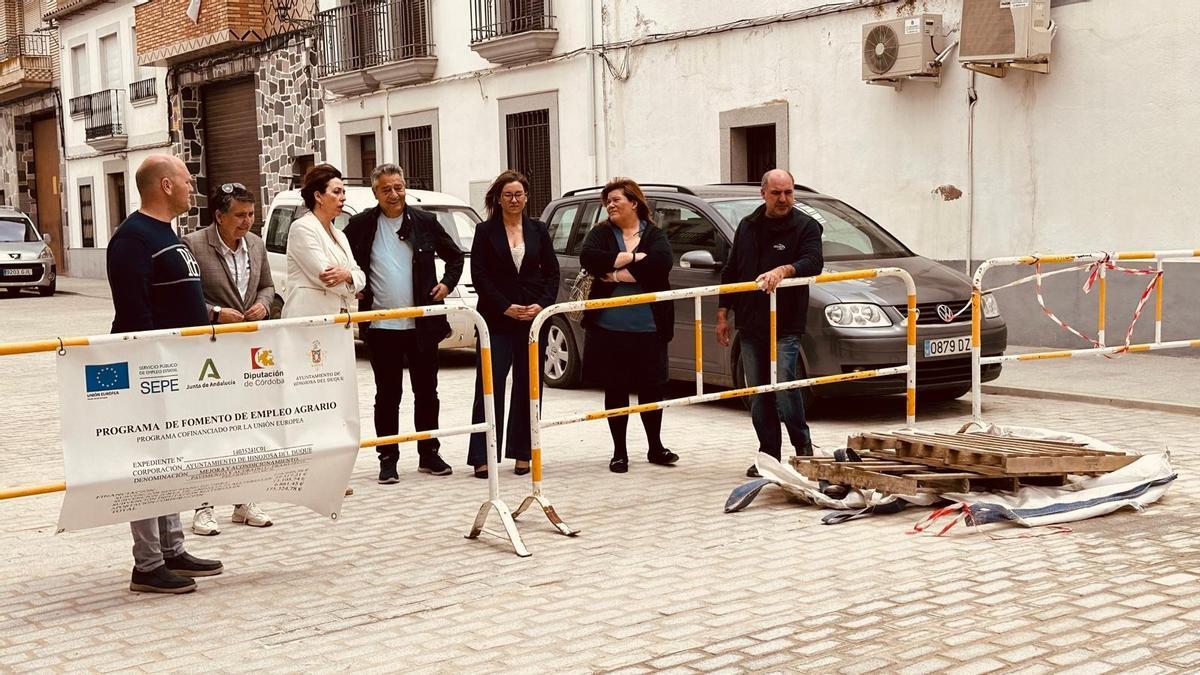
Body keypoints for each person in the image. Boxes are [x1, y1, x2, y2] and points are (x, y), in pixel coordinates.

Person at [106, 155, 223, 593]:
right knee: (148, 464)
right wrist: (155, 368)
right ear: (166, 185)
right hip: (151, 371)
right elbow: (134, 314)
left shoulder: (166, 233)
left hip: (179, 369)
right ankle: (148, 563)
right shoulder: (132, 238)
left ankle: (173, 548)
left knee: (171, 460)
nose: (194, 187)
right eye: (187, 180)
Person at [344, 164, 462, 483]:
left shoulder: (424, 221)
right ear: (375, 193)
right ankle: (388, 458)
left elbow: (455, 256)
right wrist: (353, 285)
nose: (394, 194)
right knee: (387, 395)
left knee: (427, 392)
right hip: (381, 326)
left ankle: (429, 453)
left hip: (422, 324)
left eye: (398, 187)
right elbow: (343, 260)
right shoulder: (360, 225)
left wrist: (447, 285)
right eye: (386, 189)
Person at [716, 169, 824, 478]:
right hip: (751, 324)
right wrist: (723, 312)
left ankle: (804, 451)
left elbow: (814, 262)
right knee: (759, 392)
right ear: (763, 193)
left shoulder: (806, 226)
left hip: (786, 323)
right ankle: (768, 456)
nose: (783, 199)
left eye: (788, 192)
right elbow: (732, 269)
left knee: (785, 386)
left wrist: (784, 270)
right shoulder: (748, 226)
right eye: (776, 193)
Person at [181, 183, 275, 535]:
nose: (246, 222)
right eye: (239, 215)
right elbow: (184, 297)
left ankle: (244, 501)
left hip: (246, 352)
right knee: (207, 428)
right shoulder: (192, 245)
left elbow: (268, 286)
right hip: (208, 351)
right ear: (219, 216)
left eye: (251, 214)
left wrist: (263, 304)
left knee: (245, 425)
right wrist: (216, 313)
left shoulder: (256, 244)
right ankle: (203, 506)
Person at [579, 178, 678, 473]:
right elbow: (590, 259)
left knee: (652, 389)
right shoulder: (601, 233)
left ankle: (655, 447)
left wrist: (615, 273)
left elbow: (660, 265)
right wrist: (632, 258)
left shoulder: (655, 234)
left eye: (616, 200)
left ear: (634, 203)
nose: (610, 205)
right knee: (616, 389)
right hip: (609, 329)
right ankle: (619, 452)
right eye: (607, 201)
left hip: (649, 328)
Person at [467, 170, 559, 479]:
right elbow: (479, 275)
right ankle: (482, 456)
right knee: (489, 385)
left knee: (528, 385)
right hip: (497, 318)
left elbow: (552, 274)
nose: (514, 200)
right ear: (498, 198)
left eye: (519, 194)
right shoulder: (485, 231)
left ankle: (523, 453)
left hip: (532, 319)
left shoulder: (538, 230)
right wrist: (505, 307)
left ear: (527, 197)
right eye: (508, 195)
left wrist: (541, 305)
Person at [281, 164, 365, 320]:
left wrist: (348, 275)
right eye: (336, 192)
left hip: (340, 320)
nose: (343, 197)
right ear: (318, 196)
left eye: (343, 192)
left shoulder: (340, 235)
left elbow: (359, 273)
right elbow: (326, 277)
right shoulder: (302, 228)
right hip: (310, 320)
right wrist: (353, 286)